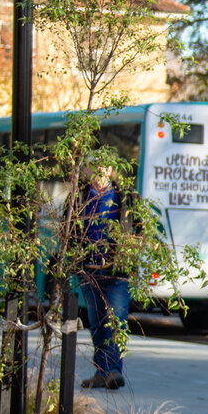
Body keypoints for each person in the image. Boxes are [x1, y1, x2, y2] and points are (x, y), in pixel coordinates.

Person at [76, 166, 131, 391]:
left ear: (110, 170)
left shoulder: (125, 196)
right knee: (97, 323)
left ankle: (113, 370)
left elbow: (137, 228)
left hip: (116, 271)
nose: (100, 172)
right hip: (89, 269)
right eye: (96, 167)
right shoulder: (79, 195)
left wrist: (129, 254)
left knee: (116, 322)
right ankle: (102, 372)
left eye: (104, 167)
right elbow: (69, 228)